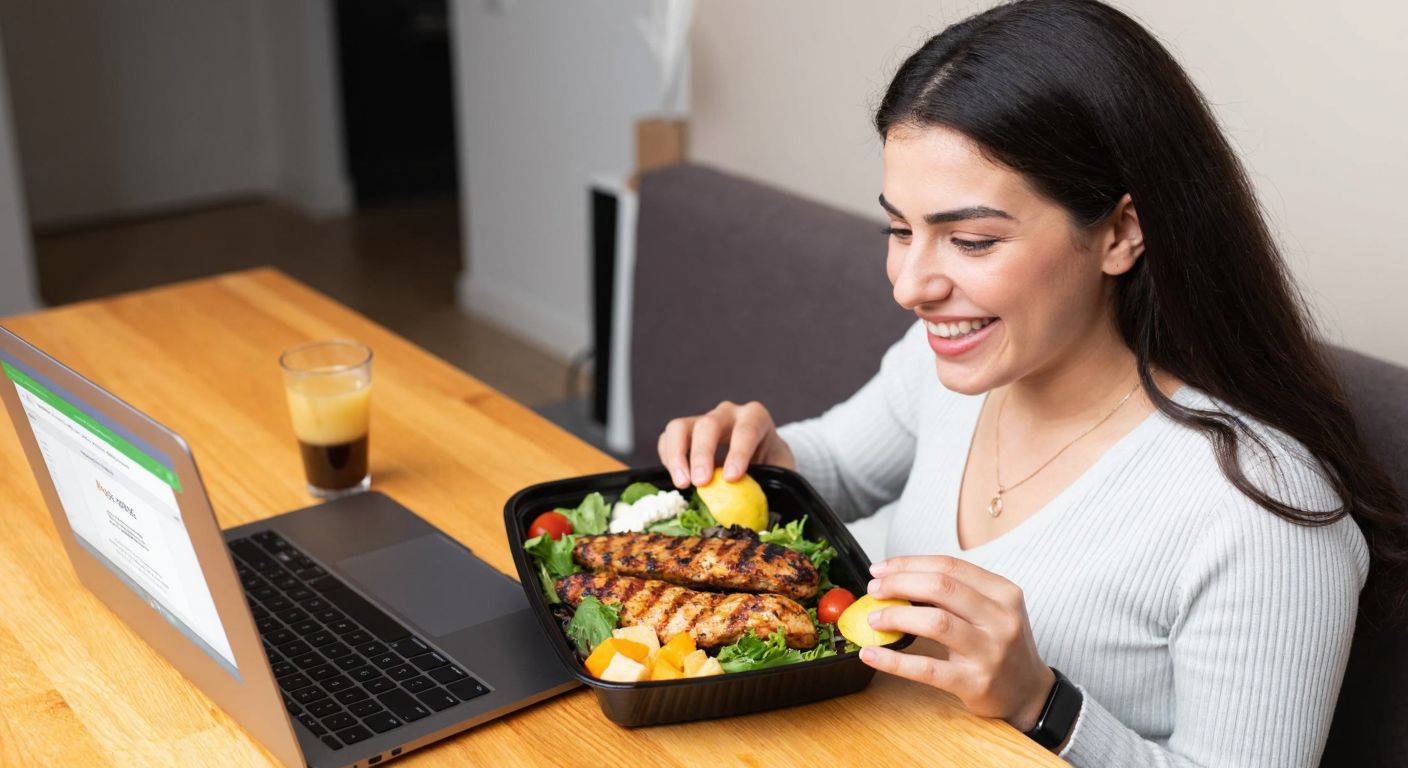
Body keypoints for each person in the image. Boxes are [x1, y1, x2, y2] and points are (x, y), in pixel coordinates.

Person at [655, 1, 1406, 765]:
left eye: (972, 240)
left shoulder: (1263, 511)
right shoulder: (951, 362)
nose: (910, 285)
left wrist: (1043, 702)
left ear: (1119, 233)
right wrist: (756, 454)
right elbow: (839, 469)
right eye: (899, 230)